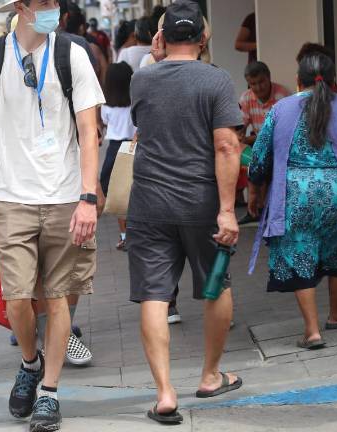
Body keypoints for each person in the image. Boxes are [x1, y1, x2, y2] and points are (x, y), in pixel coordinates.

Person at [0, 0, 105, 429]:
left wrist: (88, 196)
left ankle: (49, 391)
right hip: (11, 198)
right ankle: (30, 362)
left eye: (55, 3)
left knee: (59, 297)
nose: (52, 10)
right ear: (21, 8)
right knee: (18, 299)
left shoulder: (71, 54)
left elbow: (88, 130)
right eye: (43, 3)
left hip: (64, 197)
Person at [128, 1, 242, 424]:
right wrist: (228, 211)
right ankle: (211, 375)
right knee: (215, 286)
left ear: (160, 38)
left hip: (149, 204)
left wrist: (156, 59)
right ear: (203, 37)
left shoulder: (142, 79)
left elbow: (154, 109)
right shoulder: (216, 80)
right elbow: (227, 146)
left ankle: (164, 393)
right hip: (201, 203)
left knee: (155, 294)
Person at [248, 53, 337, 351]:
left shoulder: (280, 110)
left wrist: (255, 187)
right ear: (333, 80)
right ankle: (335, 313)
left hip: (296, 192)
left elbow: (260, 158)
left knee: (300, 252)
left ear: (298, 80)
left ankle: (312, 331)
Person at [238, 61, 290, 224]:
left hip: (280, 144)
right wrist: (240, 138)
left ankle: (263, 208)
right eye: (253, 84)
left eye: (261, 82)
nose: (258, 87)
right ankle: (254, 210)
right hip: (259, 143)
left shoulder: (282, 96)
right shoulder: (246, 98)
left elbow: (281, 133)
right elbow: (241, 128)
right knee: (239, 151)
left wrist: (251, 139)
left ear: (269, 79)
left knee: (266, 163)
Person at [99, 62, 135, 252]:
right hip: (135, 147)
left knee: (119, 195)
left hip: (115, 150)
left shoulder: (106, 107)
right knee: (135, 192)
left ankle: (124, 236)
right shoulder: (135, 104)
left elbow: (104, 123)